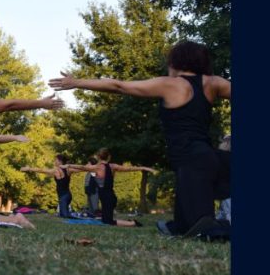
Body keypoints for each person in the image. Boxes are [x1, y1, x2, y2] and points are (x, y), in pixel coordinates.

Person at [50, 41, 231, 236]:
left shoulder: (170, 84)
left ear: (176, 62)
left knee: (203, 229)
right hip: (208, 159)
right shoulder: (214, 83)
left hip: (191, 162)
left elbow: (119, 86)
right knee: (185, 226)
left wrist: (77, 82)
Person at [62, 148, 157, 227]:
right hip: (110, 196)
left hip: (107, 198)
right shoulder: (112, 166)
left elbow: (82, 167)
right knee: (105, 220)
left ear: (98, 157)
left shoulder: (97, 167)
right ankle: (130, 222)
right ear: (109, 157)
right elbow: (129, 168)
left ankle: (133, 223)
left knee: (108, 222)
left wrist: (68, 165)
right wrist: (145, 168)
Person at [20, 154, 87, 218]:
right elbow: (82, 168)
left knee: (64, 216)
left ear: (60, 161)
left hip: (64, 197)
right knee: (63, 214)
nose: (54, 161)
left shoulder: (57, 170)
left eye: (56, 160)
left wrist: (29, 168)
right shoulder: (68, 170)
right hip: (66, 196)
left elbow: (41, 170)